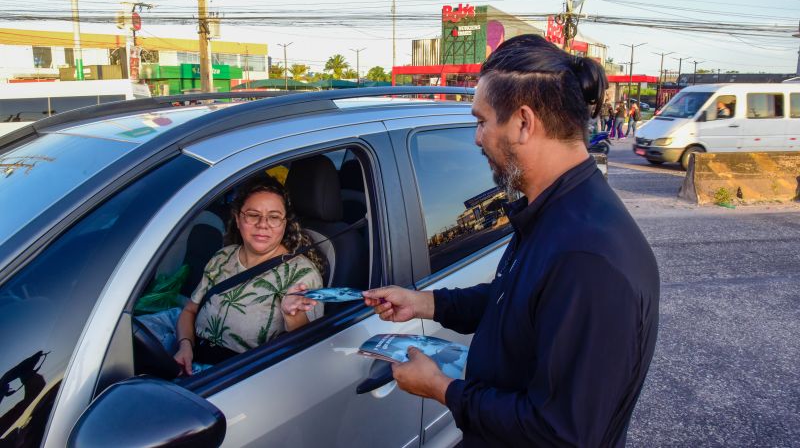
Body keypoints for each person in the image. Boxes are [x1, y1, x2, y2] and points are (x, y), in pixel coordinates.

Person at [363, 34, 659, 447]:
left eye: (482, 121)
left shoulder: (587, 257)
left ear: (523, 122)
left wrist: (442, 389)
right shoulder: (555, 211)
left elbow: (562, 434)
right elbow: (515, 300)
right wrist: (425, 303)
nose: (477, 138)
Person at [142, 176, 325, 376]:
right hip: (191, 355)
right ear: (238, 219)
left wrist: (293, 314)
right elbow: (189, 311)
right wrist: (185, 346)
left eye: (274, 217)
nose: (263, 224)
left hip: (234, 378)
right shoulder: (223, 257)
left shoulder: (301, 274)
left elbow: (305, 351)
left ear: (284, 223)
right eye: (253, 215)